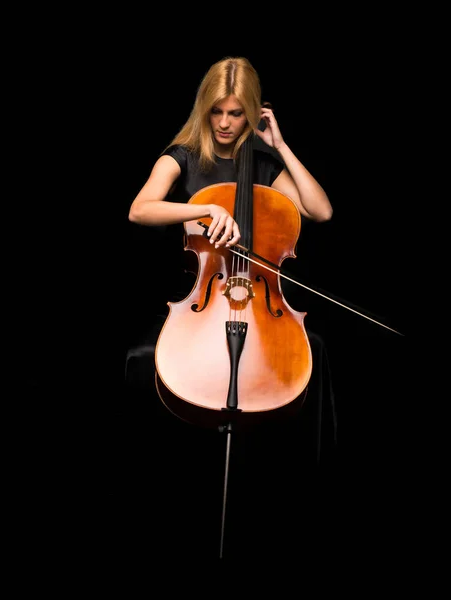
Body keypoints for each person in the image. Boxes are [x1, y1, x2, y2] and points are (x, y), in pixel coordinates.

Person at [119, 56, 337, 558]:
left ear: (252, 113)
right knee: (140, 360)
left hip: (258, 302)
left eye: (236, 114)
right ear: (205, 108)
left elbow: (319, 211)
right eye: (216, 111)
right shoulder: (183, 155)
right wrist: (205, 207)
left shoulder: (261, 160)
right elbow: (140, 208)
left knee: (316, 351)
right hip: (204, 299)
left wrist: (279, 146)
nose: (224, 124)